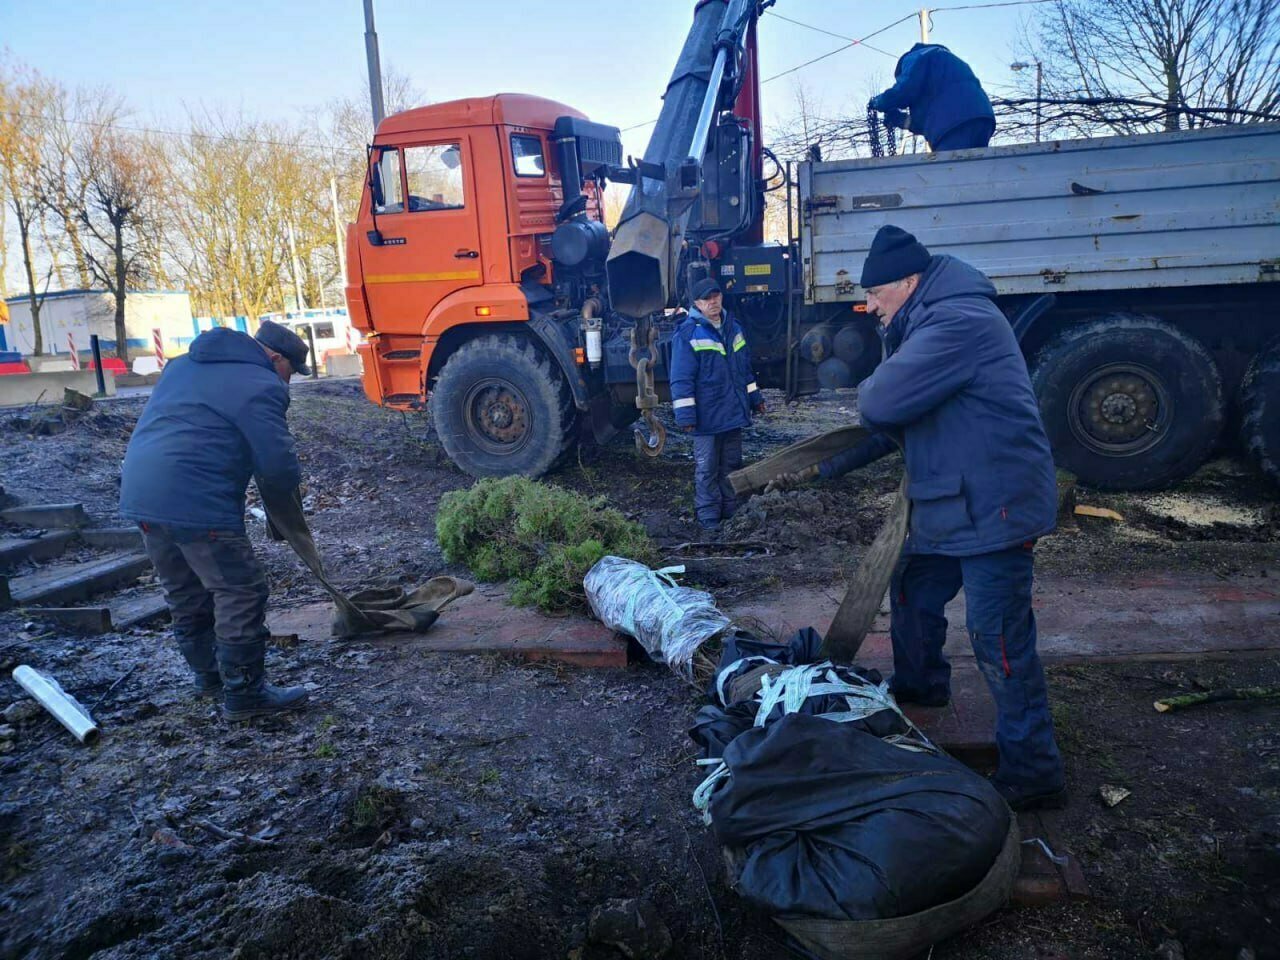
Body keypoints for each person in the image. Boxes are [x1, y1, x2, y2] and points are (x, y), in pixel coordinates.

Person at [785, 225, 1065, 811]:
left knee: (999, 638)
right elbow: (891, 426)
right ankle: (921, 685)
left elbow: (878, 402)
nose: (870, 308)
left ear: (909, 283)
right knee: (913, 583)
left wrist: (886, 356)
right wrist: (818, 470)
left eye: (878, 296)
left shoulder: (958, 322)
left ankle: (1034, 773)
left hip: (997, 505)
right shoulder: (928, 321)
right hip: (954, 499)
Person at [119, 320, 313, 722]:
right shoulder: (262, 385)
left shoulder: (181, 365)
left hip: (142, 494)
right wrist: (288, 516)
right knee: (240, 590)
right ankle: (245, 695)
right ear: (275, 358)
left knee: (185, 589)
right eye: (290, 372)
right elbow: (277, 466)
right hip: (196, 499)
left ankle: (209, 679)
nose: (288, 383)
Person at [670, 277, 765, 533]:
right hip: (706, 418)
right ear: (697, 304)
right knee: (707, 469)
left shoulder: (734, 328)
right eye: (706, 299)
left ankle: (731, 512)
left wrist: (756, 399)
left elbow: (744, 371)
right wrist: (686, 417)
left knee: (731, 465)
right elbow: (681, 379)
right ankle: (709, 519)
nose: (713, 302)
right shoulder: (688, 334)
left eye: (716, 297)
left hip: (731, 414)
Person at [869, 43, 996, 151]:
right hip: (983, 119)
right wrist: (899, 119)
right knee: (977, 171)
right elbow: (924, 124)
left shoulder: (915, 57)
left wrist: (879, 102)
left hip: (952, 121)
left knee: (951, 171)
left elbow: (905, 90)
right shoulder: (946, 66)